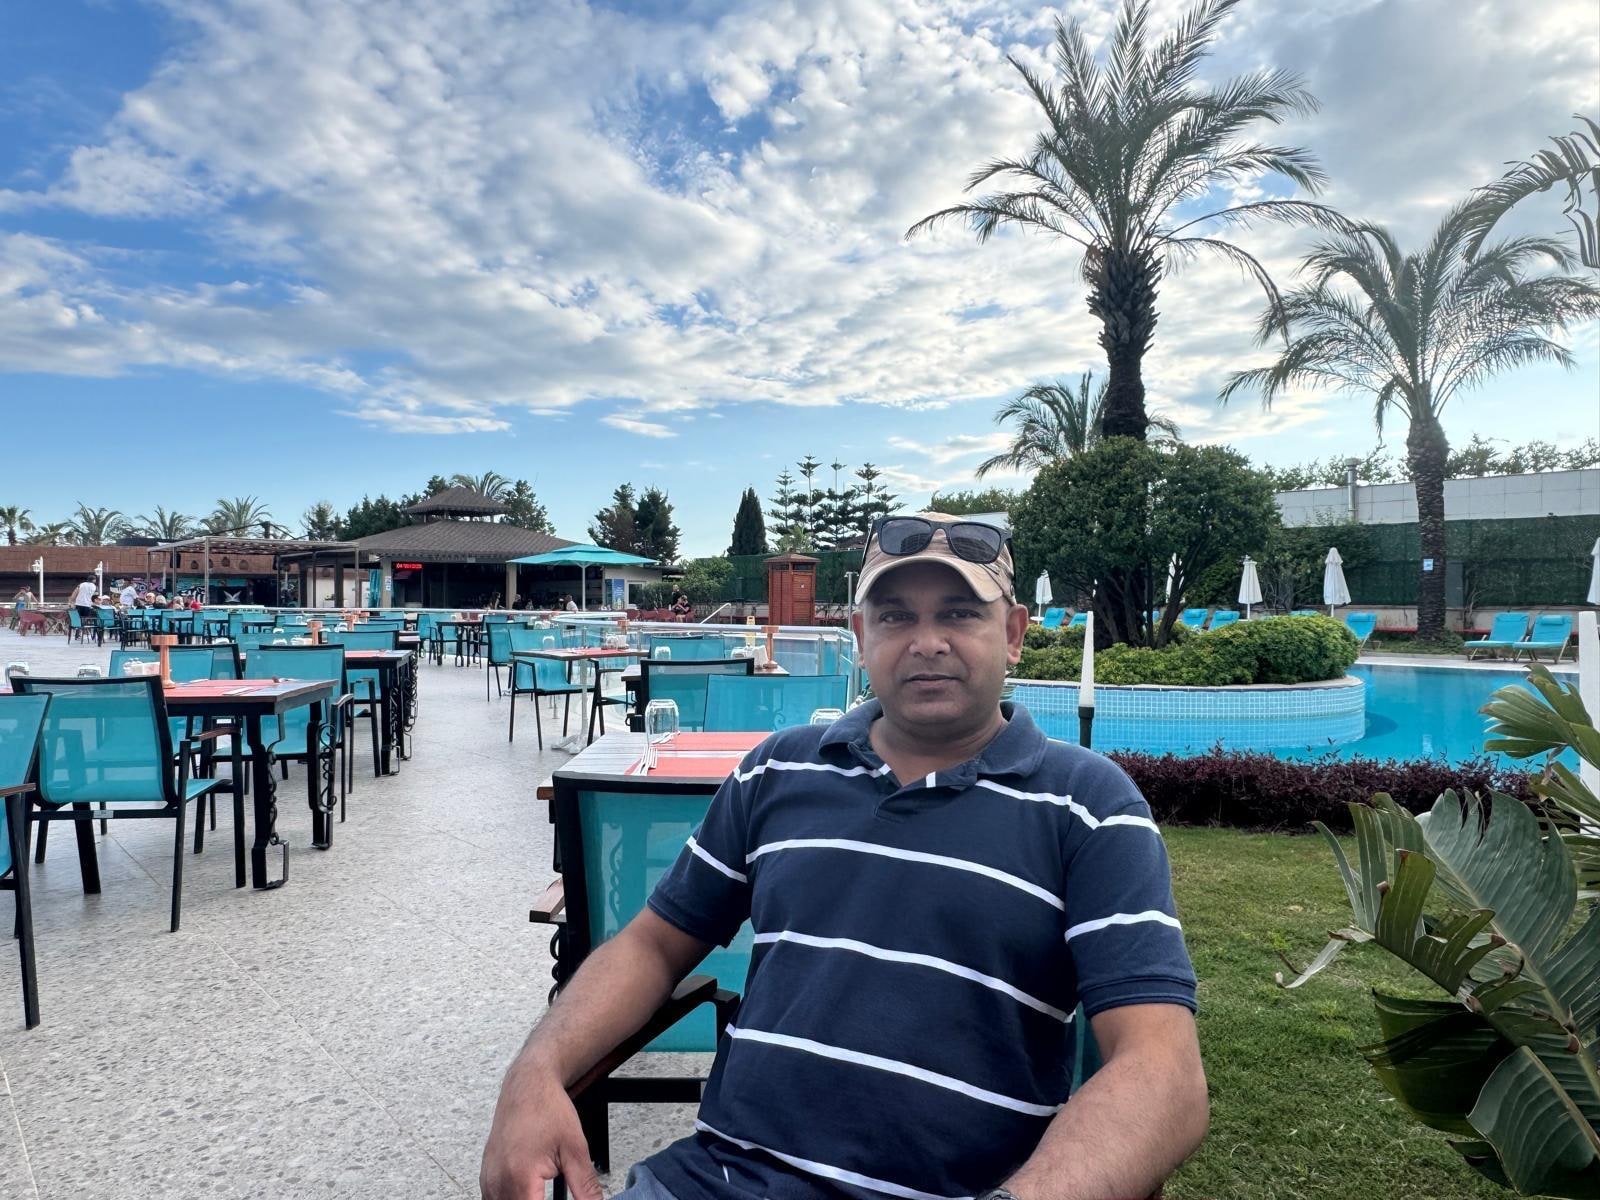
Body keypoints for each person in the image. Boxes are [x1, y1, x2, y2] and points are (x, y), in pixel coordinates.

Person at [481, 512, 1207, 1200]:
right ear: (860, 636)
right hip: (722, 1177)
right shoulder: (776, 772)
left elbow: (1162, 1069)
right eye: (896, 616)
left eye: (960, 613)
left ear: (1014, 633)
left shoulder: (1089, 806)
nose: (927, 641)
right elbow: (653, 944)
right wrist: (535, 1072)